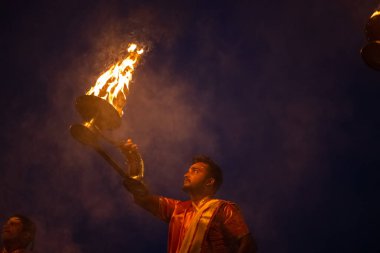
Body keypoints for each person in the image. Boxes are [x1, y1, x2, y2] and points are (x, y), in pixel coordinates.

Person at [121, 139, 257, 253]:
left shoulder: (223, 208)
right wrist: (134, 160)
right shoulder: (178, 209)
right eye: (188, 171)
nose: (186, 174)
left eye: (195, 171)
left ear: (210, 181)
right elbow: (142, 196)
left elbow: (248, 245)